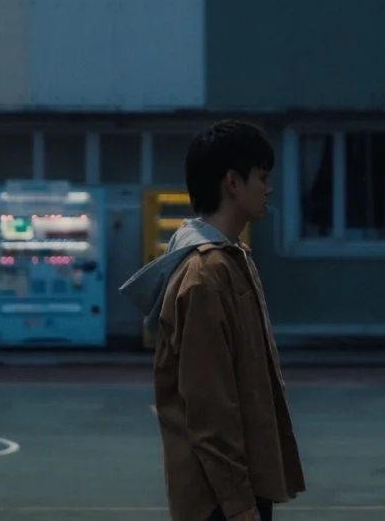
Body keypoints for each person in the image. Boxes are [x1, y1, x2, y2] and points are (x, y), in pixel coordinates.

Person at [120, 120, 305, 521]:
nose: (269, 188)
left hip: (235, 485)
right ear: (233, 182)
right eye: (262, 177)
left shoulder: (230, 259)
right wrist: (238, 503)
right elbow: (209, 406)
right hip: (218, 499)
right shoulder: (206, 274)